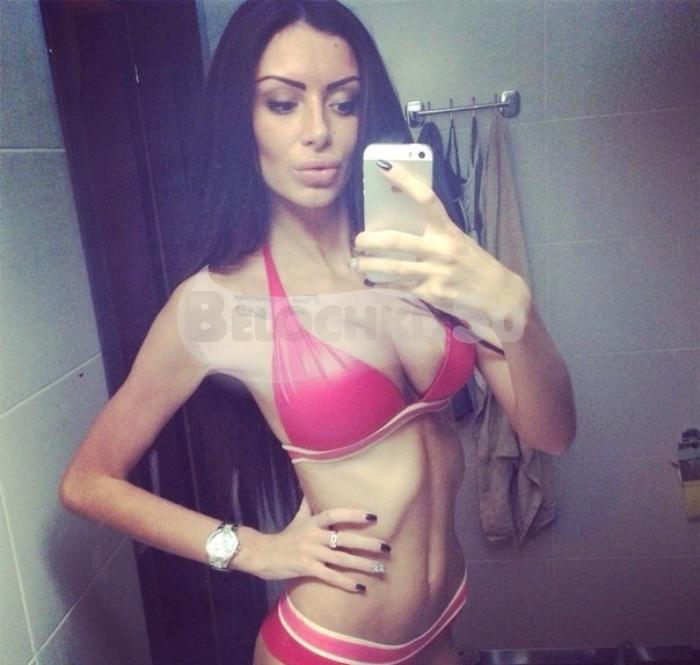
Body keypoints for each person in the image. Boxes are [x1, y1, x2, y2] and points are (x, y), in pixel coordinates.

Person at [59, 1, 577, 663]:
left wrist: (517, 313)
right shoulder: (216, 303)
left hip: (440, 627)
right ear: (241, 118)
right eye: (282, 103)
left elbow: (552, 434)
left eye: (343, 102)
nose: (319, 132)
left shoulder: (426, 263)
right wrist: (251, 549)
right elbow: (88, 480)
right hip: (326, 647)